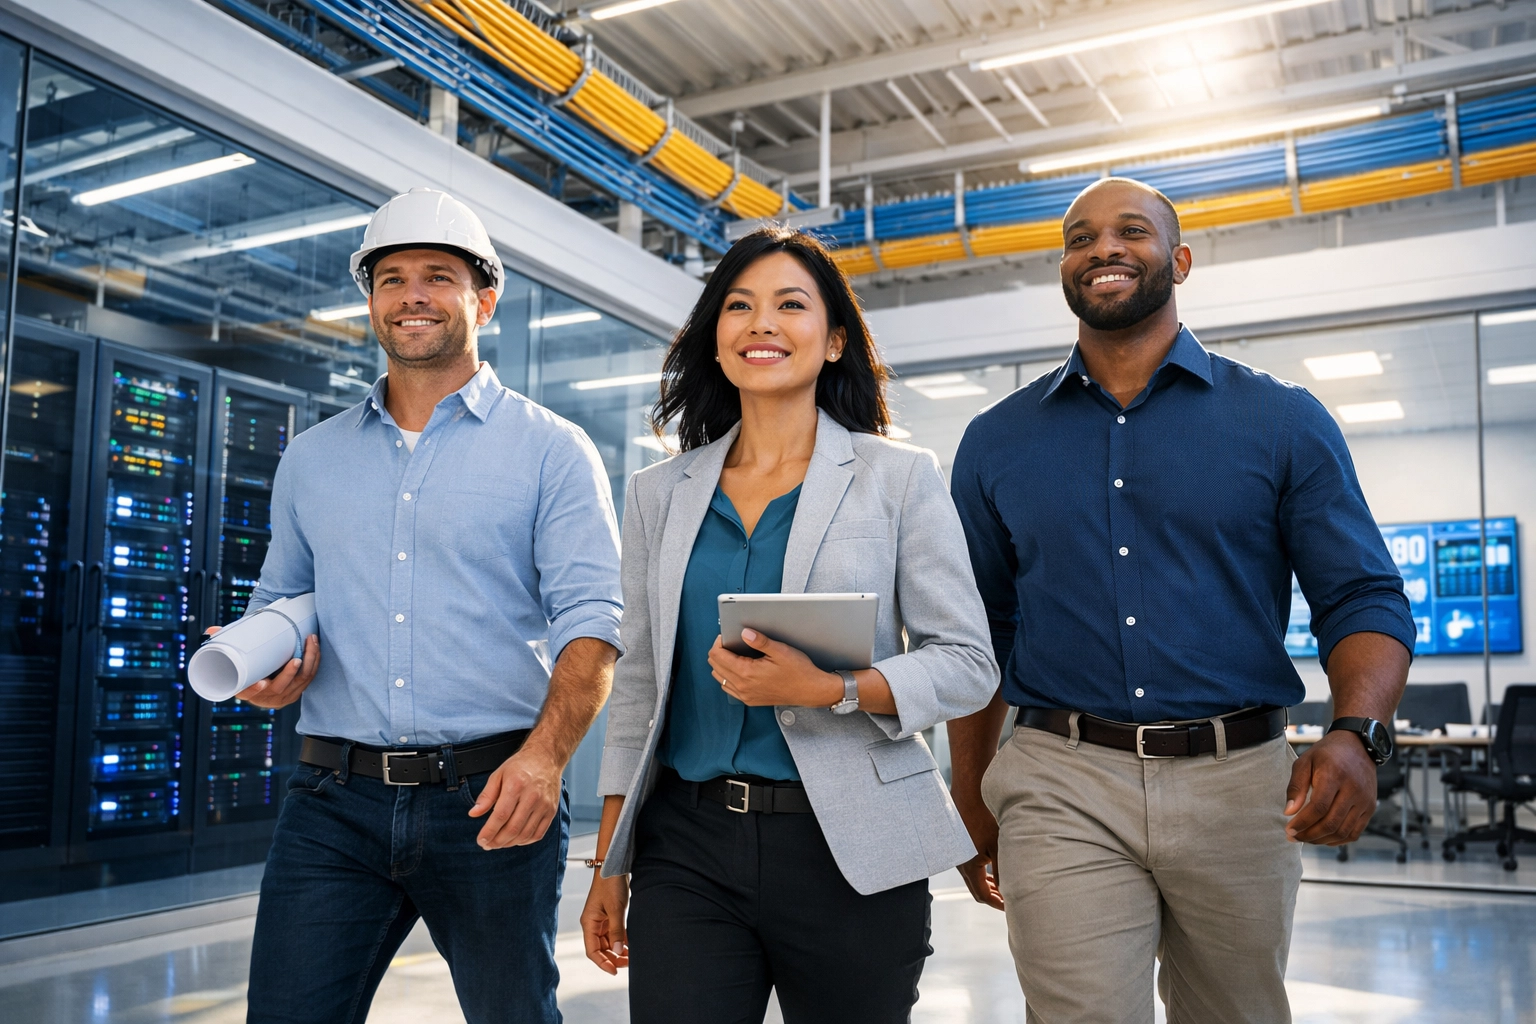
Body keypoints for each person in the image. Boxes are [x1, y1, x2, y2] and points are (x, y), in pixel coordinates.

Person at [946, 178, 1416, 1024]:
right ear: (1065, 267)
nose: (1104, 249)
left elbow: (1361, 596)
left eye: (1132, 231)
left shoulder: (1281, 421)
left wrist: (1356, 734)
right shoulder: (995, 443)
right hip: (1061, 778)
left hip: (1239, 782)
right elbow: (978, 631)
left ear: (1181, 260)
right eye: (1080, 237)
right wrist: (971, 791)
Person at [578, 228, 997, 1024]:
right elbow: (637, 687)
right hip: (687, 845)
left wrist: (837, 687)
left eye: (789, 306)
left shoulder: (898, 480)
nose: (760, 323)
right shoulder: (657, 494)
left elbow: (968, 662)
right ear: (716, 336)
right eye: (739, 306)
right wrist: (611, 859)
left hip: (853, 847)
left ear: (835, 339)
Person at [225, 187, 623, 1024]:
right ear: (370, 302)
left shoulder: (552, 450)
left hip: (491, 797)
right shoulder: (312, 458)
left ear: (482, 300)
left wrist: (546, 761)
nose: (411, 294)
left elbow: (594, 621)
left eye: (437, 276)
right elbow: (282, 597)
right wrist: (267, 669)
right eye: (391, 277)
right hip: (333, 800)